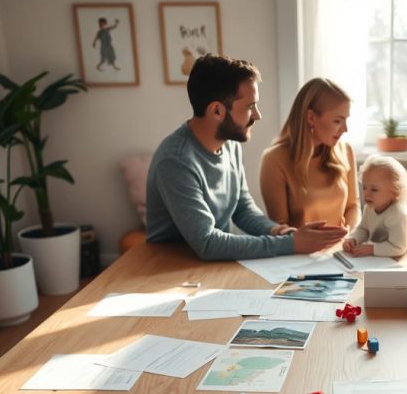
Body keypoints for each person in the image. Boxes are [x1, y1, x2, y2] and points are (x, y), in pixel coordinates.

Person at [146, 54, 346, 260]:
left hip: (210, 264)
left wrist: (284, 232)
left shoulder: (230, 143)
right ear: (217, 111)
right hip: (169, 267)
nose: (257, 115)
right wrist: (291, 243)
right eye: (250, 107)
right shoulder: (176, 161)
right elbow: (207, 243)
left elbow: (242, 209)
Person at [260, 78, 360, 231]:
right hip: (299, 252)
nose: (345, 129)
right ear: (311, 117)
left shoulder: (346, 151)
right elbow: (280, 228)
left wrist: (348, 235)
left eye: (346, 120)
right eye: (337, 121)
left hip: (340, 250)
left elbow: (353, 206)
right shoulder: (274, 160)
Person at [343, 155, 407, 257]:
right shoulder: (370, 207)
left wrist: (371, 249)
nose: (366, 194)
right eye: (365, 187)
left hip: (404, 251)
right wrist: (353, 239)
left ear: (395, 191)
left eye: (374, 189)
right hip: (382, 245)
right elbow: (363, 229)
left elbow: (399, 248)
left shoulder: (397, 214)